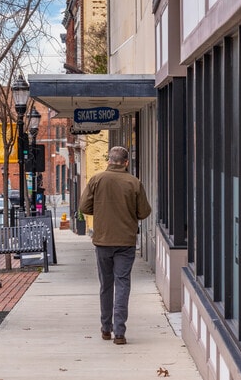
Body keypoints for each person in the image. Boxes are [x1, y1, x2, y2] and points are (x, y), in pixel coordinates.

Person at [79, 146, 151, 345]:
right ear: (126, 162)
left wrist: (102, 210)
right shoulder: (134, 182)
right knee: (122, 284)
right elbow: (144, 212)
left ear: (108, 160)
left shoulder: (96, 179)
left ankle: (105, 328)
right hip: (126, 242)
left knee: (106, 285)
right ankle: (120, 332)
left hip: (103, 241)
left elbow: (84, 207)